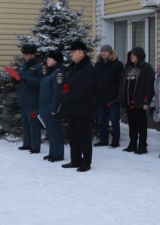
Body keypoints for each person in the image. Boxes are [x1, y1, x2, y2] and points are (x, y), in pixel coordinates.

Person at [61, 40, 95, 171]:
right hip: (71, 108)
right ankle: (75, 160)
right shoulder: (72, 67)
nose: (70, 55)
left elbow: (84, 89)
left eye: (72, 52)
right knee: (72, 136)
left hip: (82, 108)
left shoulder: (87, 69)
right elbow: (68, 83)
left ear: (81, 53)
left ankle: (86, 162)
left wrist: (67, 97)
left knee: (83, 137)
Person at [118, 47, 154, 154]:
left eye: (134, 55)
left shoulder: (146, 68)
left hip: (139, 102)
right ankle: (132, 143)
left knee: (141, 125)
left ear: (139, 56)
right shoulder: (128, 68)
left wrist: (146, 101)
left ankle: (142, 145)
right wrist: (122, 98)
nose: (131, 56)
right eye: (130, 55)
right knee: (132, 124)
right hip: (128, 102)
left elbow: (149, 85)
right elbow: (122, 84)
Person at [94, 44, 124, 148]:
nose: (103, 53)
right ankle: (103, 140)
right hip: (100, 97)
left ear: (110, 53)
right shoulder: (98, 65)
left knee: (115, 120)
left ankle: (115, 140)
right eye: (102, 51)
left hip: (113, 98)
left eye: (105, 51)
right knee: (102, 120)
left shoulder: (117, 65)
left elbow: (121, 81)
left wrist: (117, 94)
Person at [39, 48, 65, 162]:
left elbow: (57, 92)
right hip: (45, 106)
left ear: (56, 60)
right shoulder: (49, 72)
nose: (47, 60)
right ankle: (52, 152)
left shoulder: (58, 73)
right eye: (48, 58)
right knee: (50, 132)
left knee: (56, 131)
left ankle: (58, 154)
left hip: (52, 107)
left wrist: (54, 108)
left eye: (50, 58)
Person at [16, 43, 43, 153]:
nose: (24, 57)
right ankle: (27, 143)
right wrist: (16, 79)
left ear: (33, 55)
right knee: (25, 124)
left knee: (34, 125)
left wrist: (27, 80)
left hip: (33, 100)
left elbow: (42, 81)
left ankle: (35, 146)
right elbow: (21, 78)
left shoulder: (40, 66)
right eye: (24, 55)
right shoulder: (24, 65)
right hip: (24, 99)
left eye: (26, 55)